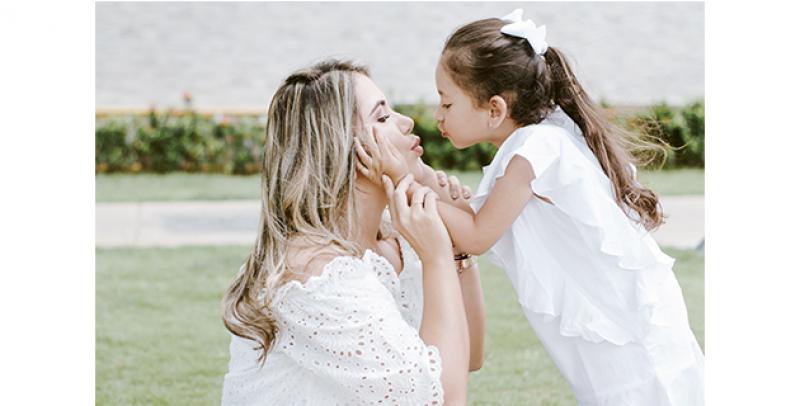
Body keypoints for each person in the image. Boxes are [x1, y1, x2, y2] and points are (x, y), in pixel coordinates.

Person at [365, 9, 704, 405]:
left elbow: (477, 234)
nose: (437, 116)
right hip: (610, 327)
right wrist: (417, 170)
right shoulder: (533, 144)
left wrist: (402, 179)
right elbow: (474, 216)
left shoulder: (533, 151)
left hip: (624, 337)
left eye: (447, 103)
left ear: (494, 109)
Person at [220, 59, 484, 405]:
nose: (407, 123)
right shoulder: (314, 274)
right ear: (343, 148)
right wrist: (435, 255)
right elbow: (444, 399)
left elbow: (470, 357)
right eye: (383, 117)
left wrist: (454, 248)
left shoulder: (397, 239)